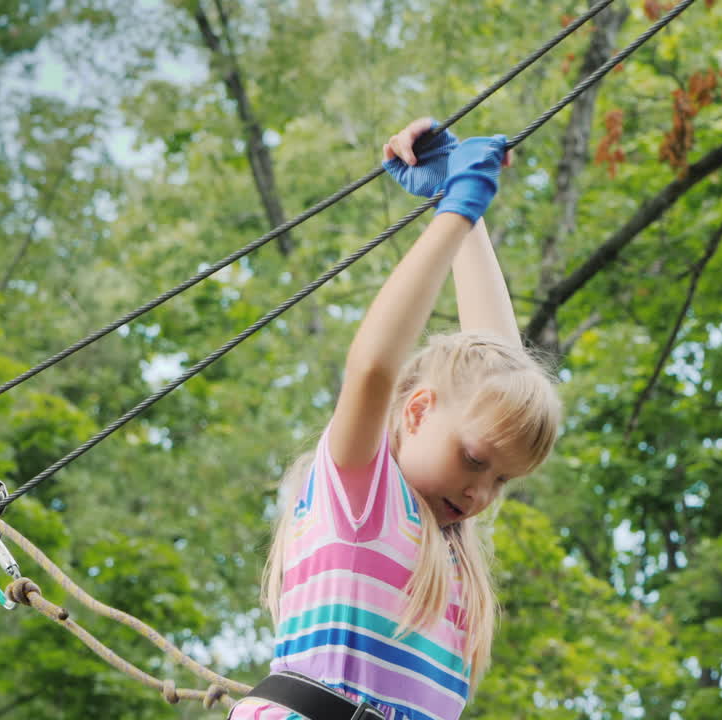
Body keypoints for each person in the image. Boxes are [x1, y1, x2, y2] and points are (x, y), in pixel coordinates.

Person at [227, 119, 562, 720]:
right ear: (417, 411)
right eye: (477, 461)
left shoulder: (445, 543)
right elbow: (373, 368)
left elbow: (502, 372)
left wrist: (467, 212)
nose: (482, 492)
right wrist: (455, 213)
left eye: (501, 481)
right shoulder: (366, 498)